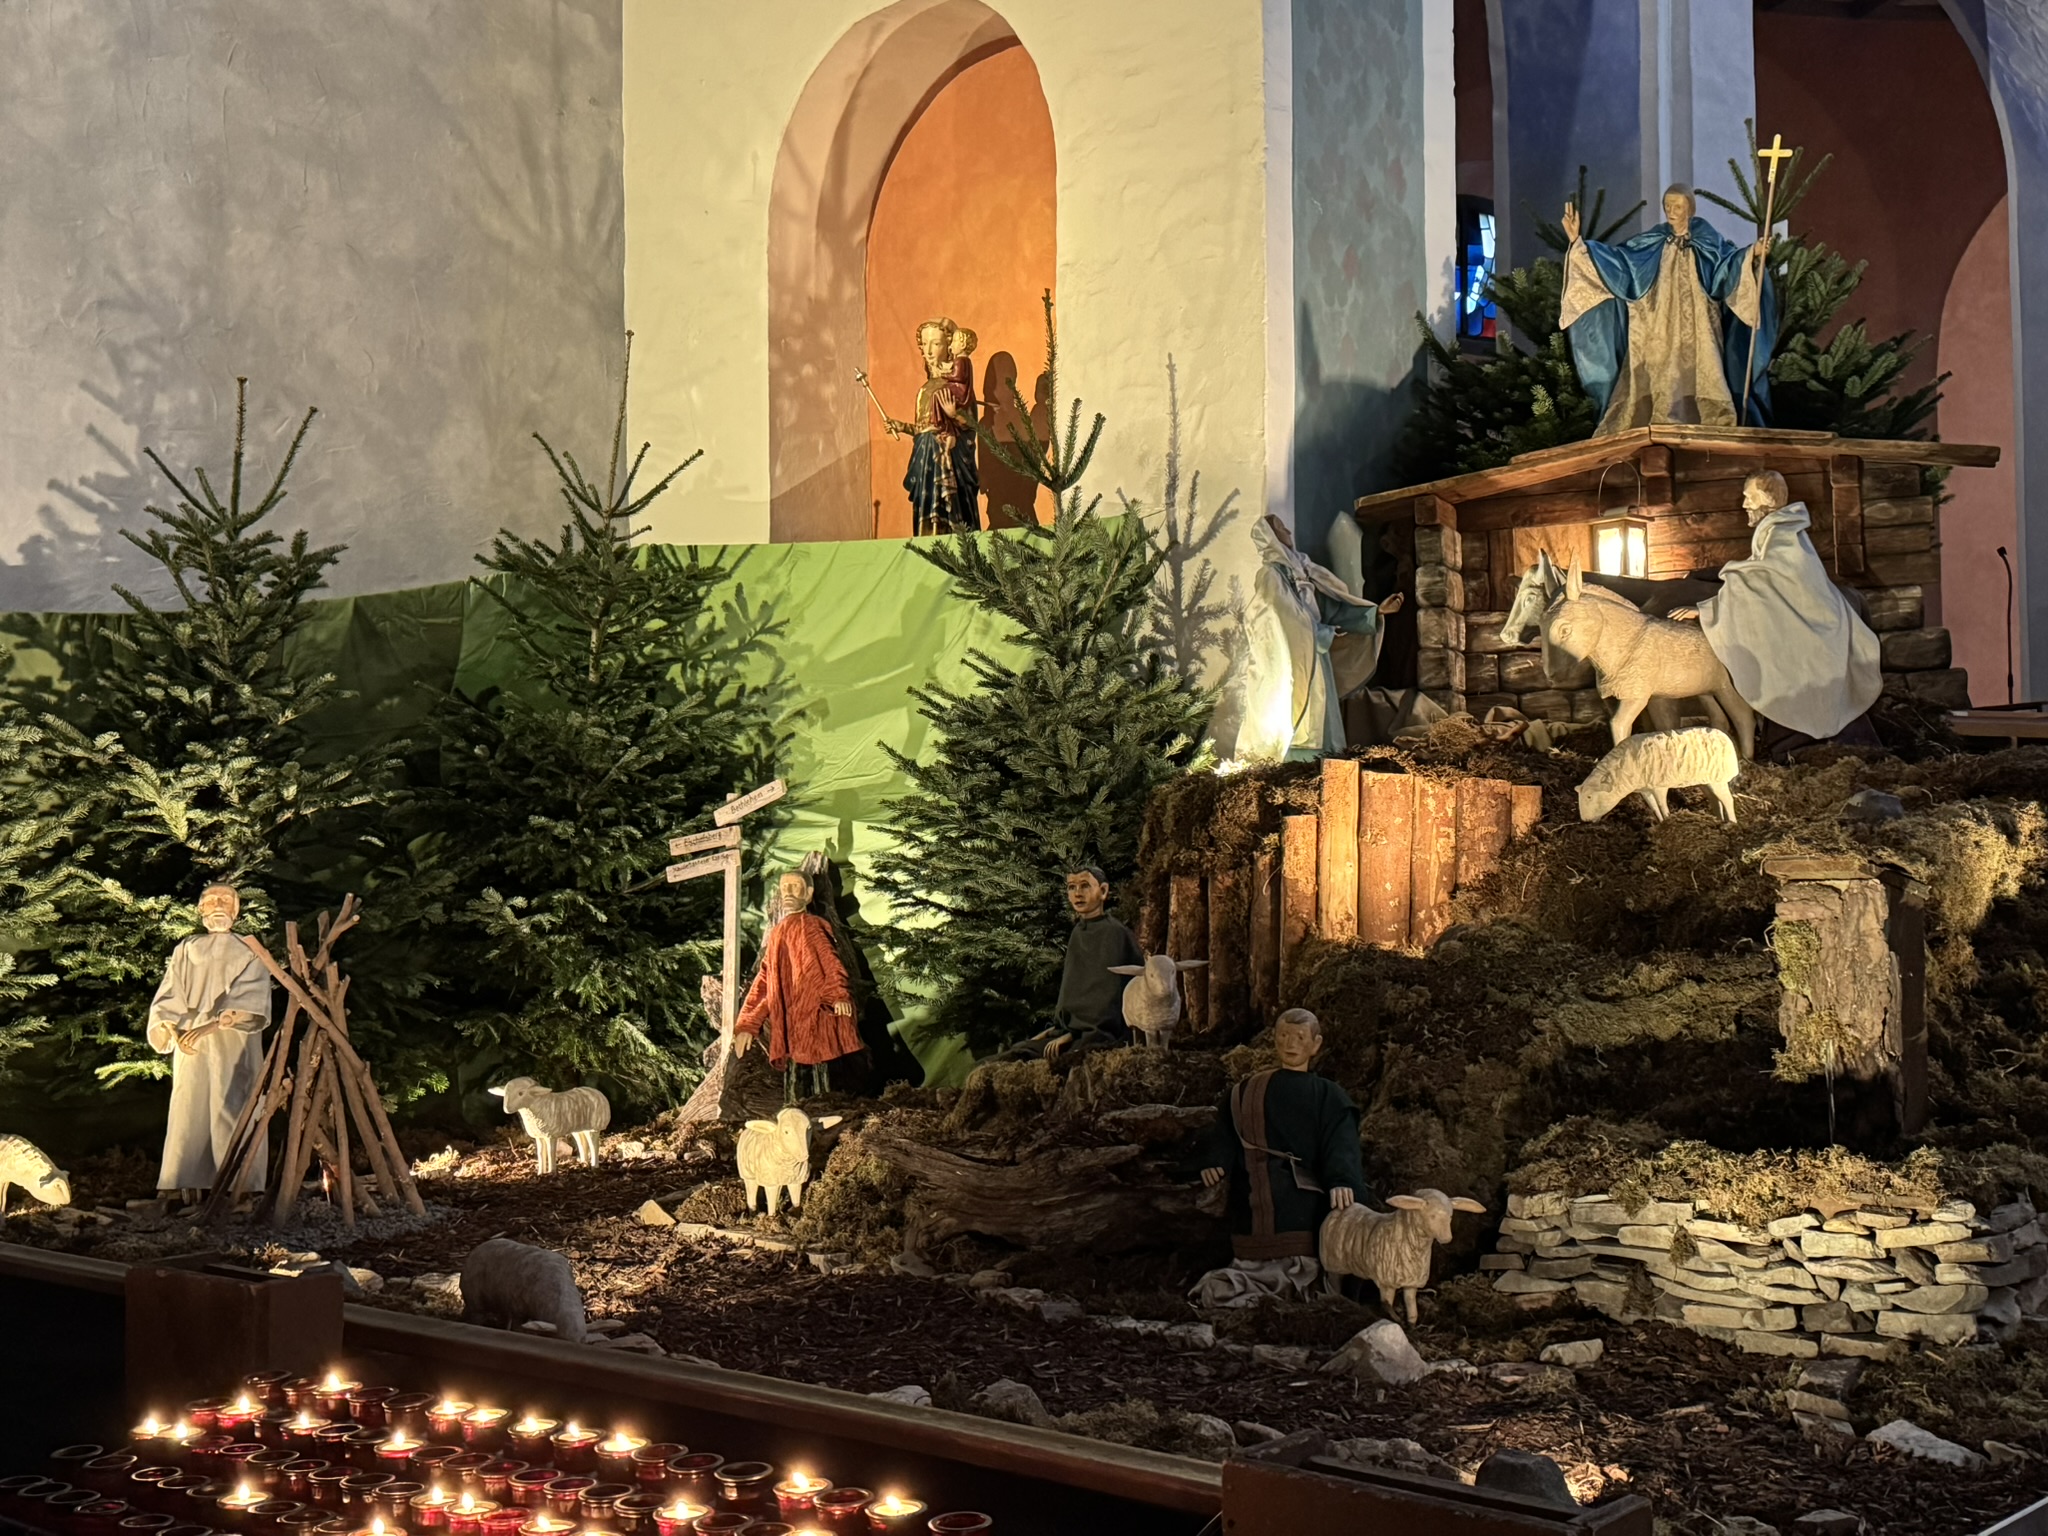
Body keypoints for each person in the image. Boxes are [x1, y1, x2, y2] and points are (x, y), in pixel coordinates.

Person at [1560, 183, 1776, 436]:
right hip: (1656, 323)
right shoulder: (1652, 241)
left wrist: (1753, 253)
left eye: (1678, 206)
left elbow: (1727, 266)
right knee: (1657, 367)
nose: (1671, 211)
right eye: (1667, 206)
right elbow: (1619, 263)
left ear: (1690, 209)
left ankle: (1707, 419)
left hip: (1699, 324)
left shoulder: (1708, 240)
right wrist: (1578, 242)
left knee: (1702, 366)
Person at [1690, 469, 1882, 741]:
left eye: (1749, 497)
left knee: (1791, 661)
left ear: (1767, 498)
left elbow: (1765, 577)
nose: (1744, 504)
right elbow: (1765, 576)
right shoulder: (1776, 530)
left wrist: (1709, 606)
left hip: (1817, 621)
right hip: (1802, 614)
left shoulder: (1783, 532)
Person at [1192, 1008, 1367, 1306]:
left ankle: (1301, 1284)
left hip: (1304, 1194)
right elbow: (1225, 1131)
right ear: (1274, 1039)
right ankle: (1253, 1282)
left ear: (1316, 1044)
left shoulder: (1328, 1095)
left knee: (1320, 1223)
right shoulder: (1245, 1090)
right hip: (1253, 1191)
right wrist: (1216, 1161)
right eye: (1284, 1035)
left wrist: (1342, 1179)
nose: (1291, 1043)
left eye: (1300, 1037)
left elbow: (1341, 1144)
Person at [1211, 515, 1404, 762]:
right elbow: (1280, 620)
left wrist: (1375, 612)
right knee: (1298, 712)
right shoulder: (1271, 576)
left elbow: (1331, 609)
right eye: (1281, 528)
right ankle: (1298, 766)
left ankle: (1330, 766)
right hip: (1293, 659)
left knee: (1324, 716)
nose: (1288, 531)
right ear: (1270, 537)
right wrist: (1322, 634)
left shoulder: (1304, 573)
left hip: (1316, 657)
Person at [147, 883, 274, 1204]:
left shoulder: (248, 949)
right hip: (191, 1044)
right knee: (189, 1107)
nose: (218, 905)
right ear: (201, 909)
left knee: (234, 1106)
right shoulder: (187, 948)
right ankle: (183, 1187)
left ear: (236, 909)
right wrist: (172, 1028)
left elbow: (252, 994)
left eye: (226, 900)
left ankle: (241, 1188)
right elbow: (171, 991)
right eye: (211, 900)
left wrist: (216, 1024)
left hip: (234, 1042)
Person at [733, 870, 864, 1099]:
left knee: (822, 1075)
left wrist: (838, 995)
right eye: (784, 887)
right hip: (790, 1020)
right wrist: (748, 1024)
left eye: (794, 886)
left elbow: (831, 962)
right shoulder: (778, 932)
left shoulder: (813, 925)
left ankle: (824, 1109)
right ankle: (794, 1113)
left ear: (809, 893)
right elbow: (765, 979)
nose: (788, 892)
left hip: (815, 1015)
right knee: (795, 1079)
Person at [999, 865, 1144, 1064]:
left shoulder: (1114, 934)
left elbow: (1107, 1000)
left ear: (1103, 891)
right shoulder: (1078, 933)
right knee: (1010, 1055)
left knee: (1025, 1060)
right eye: (1071, 887)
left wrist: (1073, 1035)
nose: (1077, 893)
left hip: (1099, 1036)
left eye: (1085, 886)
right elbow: (1073, 990)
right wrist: (1057, 1030)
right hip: (1072, 1032)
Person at [884, 317, 981, 536]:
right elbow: (923, 429)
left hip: (952, 462)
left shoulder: (958, 388)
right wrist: (901, 426)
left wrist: (954, 415)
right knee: (929, 443)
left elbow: (972, 426)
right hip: (926, 462)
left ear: (949, 347)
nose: (928, 351)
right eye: (925, 345)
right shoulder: (925, 390)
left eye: (936, 344)